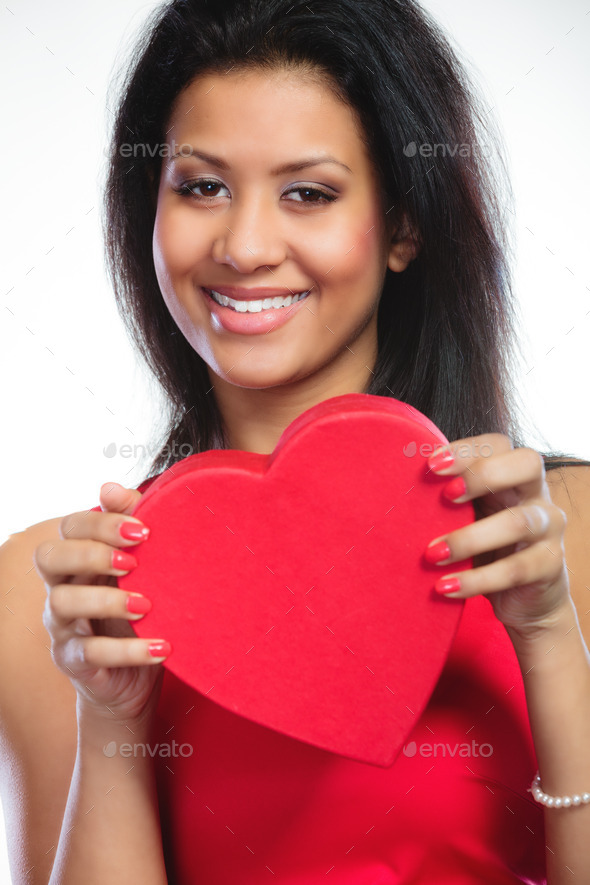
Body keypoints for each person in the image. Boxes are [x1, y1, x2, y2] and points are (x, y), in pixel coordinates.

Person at [1, 0, 589, 882]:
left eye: (308, 193)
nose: (244, 246)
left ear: (402, 226)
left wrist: (545, 632)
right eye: (202, 186)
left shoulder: (562, 532)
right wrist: (112, 717)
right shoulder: (52, 590)